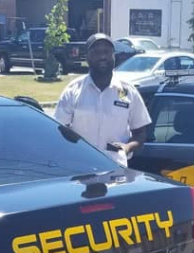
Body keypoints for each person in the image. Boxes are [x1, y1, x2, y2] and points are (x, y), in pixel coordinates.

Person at [54, 33, 151, 167]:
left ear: (114, 56)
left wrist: (127, 148)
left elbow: (140, 133)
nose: (102, 57)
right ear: (87, 56)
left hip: (116, 169)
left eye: (107, 52)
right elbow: (59, 129)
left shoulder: (128, 91)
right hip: (80, 168)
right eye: (96, 52)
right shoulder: (73, 90)